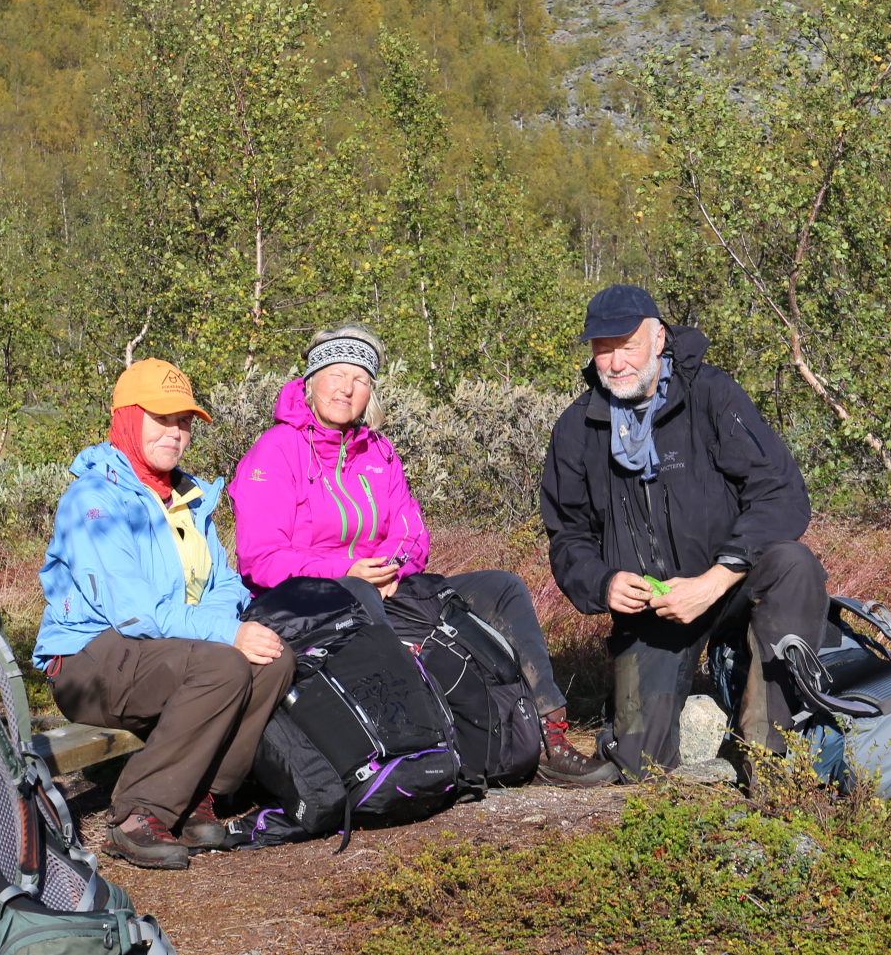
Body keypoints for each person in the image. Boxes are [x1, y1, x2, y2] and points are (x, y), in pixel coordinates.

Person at [230, 326, 617, 786]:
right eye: (334, 374)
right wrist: (348, 571)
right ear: (311, 382)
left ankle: (551, 735)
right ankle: (441, 752)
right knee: (399, 617)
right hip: (312, 607)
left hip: (387, 587)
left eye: (360, 378)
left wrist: (392, 565)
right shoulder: (275, 452)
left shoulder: (378, 451)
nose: (346, 387)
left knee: (503, 589)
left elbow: (412, 531)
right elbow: (260, 559)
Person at [540, 285, 830, 779]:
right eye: (602, 348)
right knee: (640, 764)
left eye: (626, 345)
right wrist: (604, 583)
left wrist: (714, 580)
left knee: (793, 565)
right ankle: (648, 731)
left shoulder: (711, 394)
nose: (614, 362)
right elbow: (568, 535)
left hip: (732, 582)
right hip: (654, 609)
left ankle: (767, 758)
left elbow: (781, 492)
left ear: (659, 339)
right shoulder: (577, 428)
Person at [34, 359, 292, 870]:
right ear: (128, 417)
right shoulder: (95, 499)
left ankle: (199, 797)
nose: (176, 433)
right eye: (162, 419)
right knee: (225, 662)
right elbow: (132, 615)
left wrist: (231, 628)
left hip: (164, 650)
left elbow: (223, 584)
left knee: (273, 660)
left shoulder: (189, 497)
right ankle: (137, 813)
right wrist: (226, 635)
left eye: (185, 421)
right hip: (88, 656)